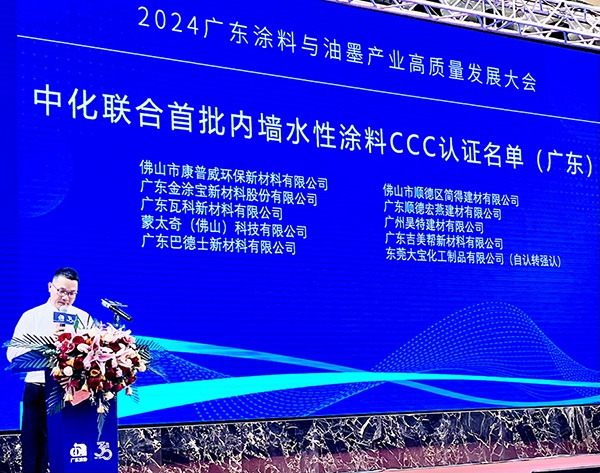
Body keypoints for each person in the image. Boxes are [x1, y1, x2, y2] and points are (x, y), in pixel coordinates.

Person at [6, 267, 94, 473]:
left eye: (72, 293)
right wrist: (48, 343)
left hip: (72, 393)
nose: (66, 298)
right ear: (50, 287)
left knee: (71, 449)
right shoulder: (32, 316)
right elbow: (12, 354)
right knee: (34, 451)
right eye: (62, 291)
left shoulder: (83, 318)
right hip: (38, 391)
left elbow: (93, 355)